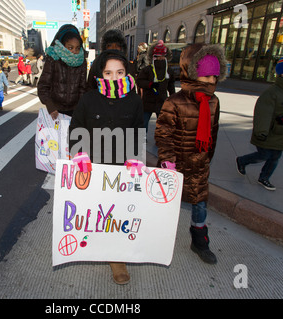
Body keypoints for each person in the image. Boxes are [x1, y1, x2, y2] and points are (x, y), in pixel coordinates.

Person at [69, 50, 145, 285]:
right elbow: (76, 127)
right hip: (93, 167)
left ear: (127, 72)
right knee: (94, 212)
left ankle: (116, 258)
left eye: (120, 72)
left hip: (120, 170)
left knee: (117, 213)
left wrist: (135, 158)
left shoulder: (134, 100)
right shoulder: (89, 99)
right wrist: (78, 154)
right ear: (100, 74)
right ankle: (91, 244)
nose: (114, 77)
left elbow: (137, 131)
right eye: (108, 72)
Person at [155, 43, 228, 265]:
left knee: (200, 203)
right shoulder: (174, 102)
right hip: (175, 165)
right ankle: (157, 239)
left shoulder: (214, 101)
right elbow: (163, 133)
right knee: (168, 205)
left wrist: (208, 157)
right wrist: (168, 162)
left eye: (215, 77)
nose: (212, 82)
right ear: (193, 73)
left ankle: (200, 241)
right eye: (207, 77)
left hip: (200, 164)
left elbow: (213, 132)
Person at [236, 53, 283, 191]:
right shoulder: (272, 93)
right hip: (269, 133)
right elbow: (263, 113)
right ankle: (242, 161)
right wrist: (261, 131)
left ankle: (264, 178)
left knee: (275, 157)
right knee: (264, 155)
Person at [37, 24, 87, 120]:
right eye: (70, 47)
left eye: (77, 48)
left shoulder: (81, 61)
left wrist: (80, 108)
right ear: (62, 45)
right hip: (55, 111)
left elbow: (82, 88)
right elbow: (43, 86)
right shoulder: (53, 58)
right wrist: (51, 107)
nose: (74, 52)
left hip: (75, 111)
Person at [137, 40, 176, 133]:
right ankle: (142, 139)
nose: (160, 58)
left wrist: (173, 98)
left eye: (162, 56)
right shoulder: (148, 69)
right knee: (144, 122)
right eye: (158, 56)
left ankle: (161, 139)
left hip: (162, 100)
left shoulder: (168, 71)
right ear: (153, 57)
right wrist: (150, 84)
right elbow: (139, 81)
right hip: (148, 100)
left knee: (162, 123)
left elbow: (171, 85)